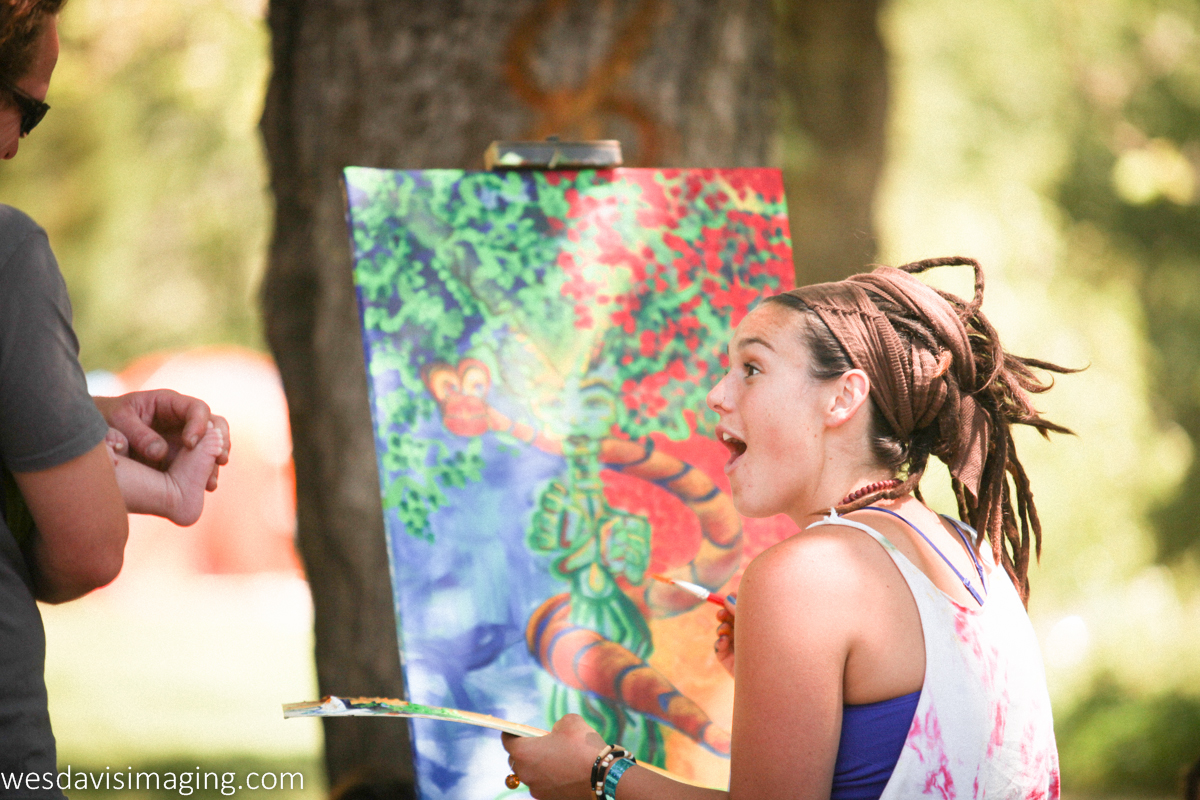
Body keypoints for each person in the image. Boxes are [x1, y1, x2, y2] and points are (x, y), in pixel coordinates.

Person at [503, 256, 1067, 799]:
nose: (716, 395)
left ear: (842, 397)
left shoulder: (806, 575)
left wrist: (598, 775)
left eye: (751, 369)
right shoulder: (971, 549)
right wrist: (787, 676)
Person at [0, 0, 230, 790]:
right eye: (27, 110)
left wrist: (79, 418)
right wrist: (83, 483)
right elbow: (89, 549)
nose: (13, 145)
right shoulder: (7, 254)